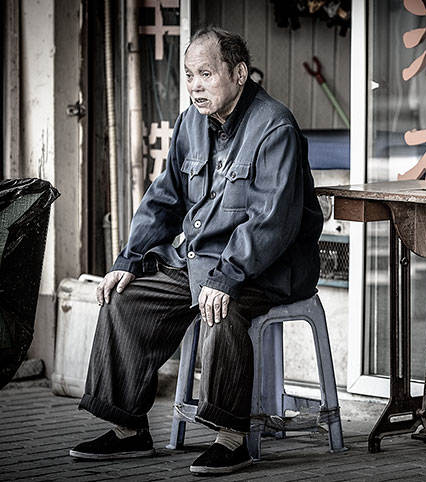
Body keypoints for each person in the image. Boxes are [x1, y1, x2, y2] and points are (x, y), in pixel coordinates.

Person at [69, 26, 323, 475]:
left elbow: (272, 222)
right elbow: (164, 198)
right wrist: (130, 258)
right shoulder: (191, 122)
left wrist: (227, 276)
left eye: (205, 73)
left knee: (222, 309)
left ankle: (232, 438)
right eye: (189, 75)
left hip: (266, 267)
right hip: (198, 262)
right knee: (125, 299)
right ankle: (129, 431)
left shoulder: (274, 126)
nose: (195, 86)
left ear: (239, 73)